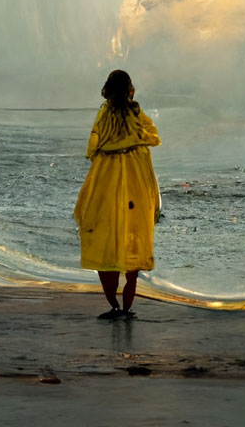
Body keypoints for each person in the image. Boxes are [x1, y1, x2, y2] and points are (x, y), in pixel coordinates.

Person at [73, 69, 161, 319]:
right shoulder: (137, 117)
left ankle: (114, 305)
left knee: (104, 239)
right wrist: (154, 202)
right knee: (134, 238)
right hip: (137, 181)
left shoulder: (105, 115)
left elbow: (94, 144)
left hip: (106, 178)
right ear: (130, 90)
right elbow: (149, 152)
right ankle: (126, 306)